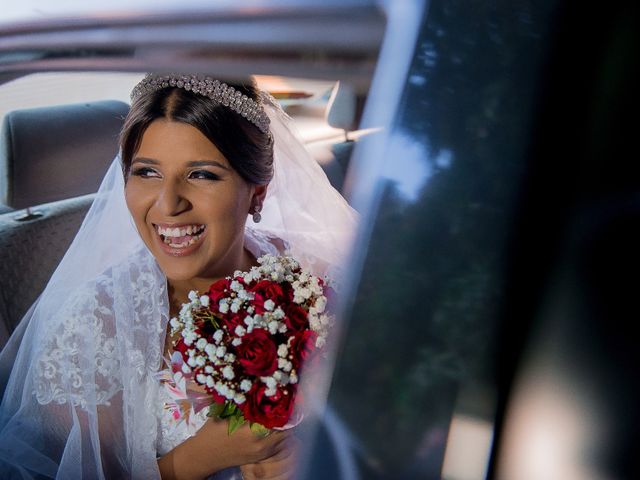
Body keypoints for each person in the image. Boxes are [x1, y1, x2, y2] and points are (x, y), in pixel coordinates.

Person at [0, 74, 357, 479]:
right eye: (148, 173)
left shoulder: (324, 277)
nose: (168, 204)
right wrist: (198, 458)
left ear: (257, 191)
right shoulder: (92, 329)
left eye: (202, 174)